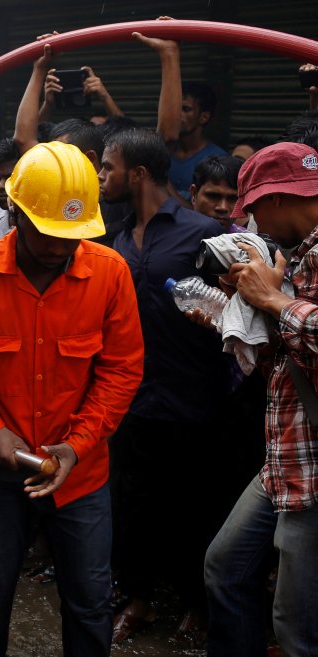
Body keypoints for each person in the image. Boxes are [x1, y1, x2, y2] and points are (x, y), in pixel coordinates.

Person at [0, 140, 143, 657]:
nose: (58, 245)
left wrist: (77, 446)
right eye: (46, 230)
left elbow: (122, 370)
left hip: (81, 475)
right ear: (14, 211)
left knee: (89, 600)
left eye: (70, 235)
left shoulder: (110, 273)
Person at [100, 128, 233, 643]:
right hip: (131, 399)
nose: (100, 177)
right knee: (133, 504)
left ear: (137, 173)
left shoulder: (202, 234)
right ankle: (139, 599)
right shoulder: (116, 234)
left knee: (196, 507)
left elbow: (239, 313)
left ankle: (199, 604)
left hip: (195, 399)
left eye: (108, 167)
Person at [200, 141, 318, 657]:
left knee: (297, 629)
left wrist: (272, 299)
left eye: (252, 211)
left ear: (273, 199)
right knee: (225, 568)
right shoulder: (296, 255)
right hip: (286, 455)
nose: (253, 226)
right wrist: (241, 312)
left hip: (315, 471)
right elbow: (294, 360)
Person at [168, 82, 228, 201]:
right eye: (174, 108)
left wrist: (166, 188)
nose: (177, 115)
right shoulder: (162, 153)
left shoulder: (217, 160)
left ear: (203, 117)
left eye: (185, 109)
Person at [190, 155, 243, 230]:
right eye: (213, 196)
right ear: (194, 194)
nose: (222, 207)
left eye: (233, 199)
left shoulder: (248, 240)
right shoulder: (172, 235)